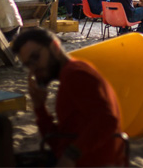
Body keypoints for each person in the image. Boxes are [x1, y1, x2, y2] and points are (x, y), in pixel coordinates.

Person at [12, 28, 125, 166]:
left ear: (55, 47)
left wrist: (71, 154)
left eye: (35, 58)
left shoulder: (75, 74)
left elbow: (107, 120)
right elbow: (58, 143)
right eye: (28, 64)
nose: (33, 68)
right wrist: (39, 108)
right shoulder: (69, 74)